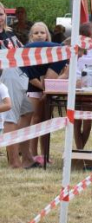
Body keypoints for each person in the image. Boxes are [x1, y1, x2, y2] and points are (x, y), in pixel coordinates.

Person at [22, 22, 68, 164]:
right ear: (31, 36)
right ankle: (33, 154)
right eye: (36, 33)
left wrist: (51, 85)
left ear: (47, 35)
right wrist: (44, 88)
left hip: (48, 86)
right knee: (35, 119)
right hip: (34, 88)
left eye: (42, 32)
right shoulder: (27, 52)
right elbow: (30, 77)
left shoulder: (56, 52)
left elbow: (56, 76)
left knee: (46, 121)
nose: (39, 35)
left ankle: (45, 154)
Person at [0, 3, 33, 168]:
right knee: (11, 118)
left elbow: (23, 52)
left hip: (18, 76)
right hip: (6, 79)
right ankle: (14, 162)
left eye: (1, 14)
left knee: (27, 112)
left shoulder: (10, 34)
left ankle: (26, 157)